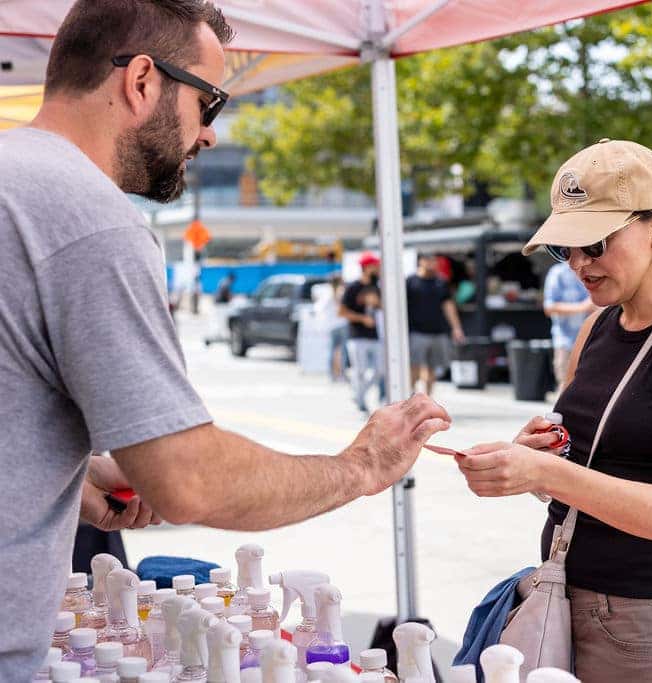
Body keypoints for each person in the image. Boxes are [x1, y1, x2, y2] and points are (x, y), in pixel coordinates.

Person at [0, 2, 450, 677]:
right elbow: (190, 480)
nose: (208, 134)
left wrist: (71, 469)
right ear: (142, 81)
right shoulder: (91, 221)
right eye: (208, 102)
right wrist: (362, 465)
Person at [456, 140, 652, 683]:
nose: (578, 263)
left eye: (594, 243)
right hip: (571, 607)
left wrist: (545, 473)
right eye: (564, 247)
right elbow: (589, 468)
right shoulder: (598, 325)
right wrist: (536, 457)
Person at [407, 253, 466, 395]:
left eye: (433, 261)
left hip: (437, 331)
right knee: (414, 367)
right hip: (416, 331)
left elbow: (448, 306)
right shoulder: (410, 282)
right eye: (428, 260)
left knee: (432, 368)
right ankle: (410, 398)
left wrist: (456, 327)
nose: (431, 263)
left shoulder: (441, 282)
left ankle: (428, 399)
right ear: (420, 261)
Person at [339, 252, 385, 412]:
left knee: (380, 370)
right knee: (360, 371)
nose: (378, 268)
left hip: (376, 336)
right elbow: (342, 312)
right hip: (357, 335)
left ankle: (358, 395)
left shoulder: (377, 287)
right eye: (375, 265)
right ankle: (360, 401)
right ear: (366, 267)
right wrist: (362, 318)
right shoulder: (353, 287)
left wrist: (378, 304)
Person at [543, 261, 596, 391]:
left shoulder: (593, 270)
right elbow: (549, 308)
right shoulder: (558, 273)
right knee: (565, 388)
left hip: (592, 342)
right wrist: (582, 307)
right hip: (566, 343)